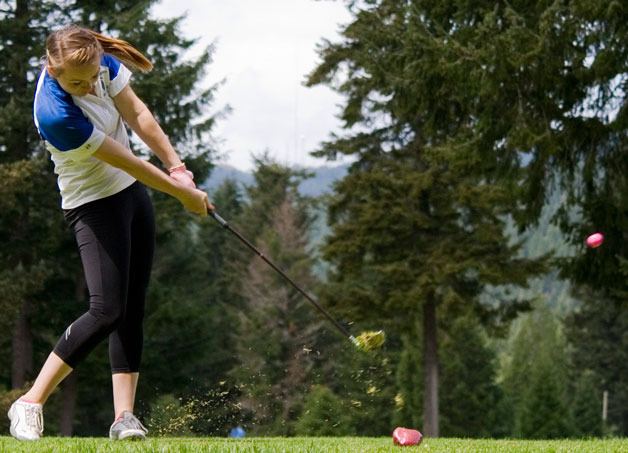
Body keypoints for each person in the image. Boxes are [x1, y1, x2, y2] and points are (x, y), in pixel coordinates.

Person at [7, 25, 212, 441]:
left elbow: (137, 115)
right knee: (105, 310)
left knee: (131, 309)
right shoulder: (54, 113)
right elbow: (126, 160)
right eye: (76, 83)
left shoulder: (100, 64)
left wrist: (177, 167)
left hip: (131, 195)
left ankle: (124, 417)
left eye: (91, 78)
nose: (87, 87)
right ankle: (29, 402)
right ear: (53, 70)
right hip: (92, 204)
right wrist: (183, 195)